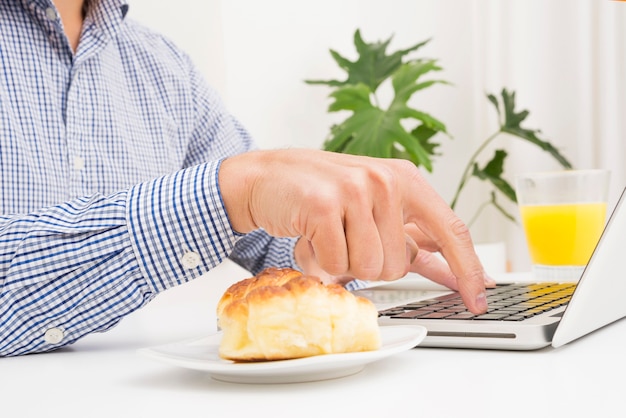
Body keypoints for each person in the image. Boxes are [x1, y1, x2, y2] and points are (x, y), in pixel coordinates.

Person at [0, 0, 492, 357]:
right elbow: (234, 193)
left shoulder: (162, 66)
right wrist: (234, 190)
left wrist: (328, 241)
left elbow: (267, 238)